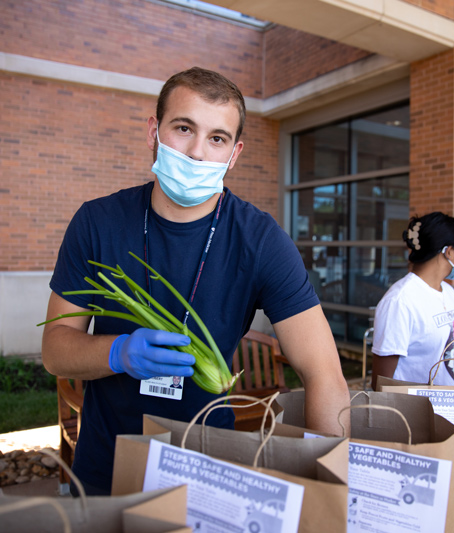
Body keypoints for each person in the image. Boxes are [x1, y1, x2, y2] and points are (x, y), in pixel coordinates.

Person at [41, 67, 351, 496]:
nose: (198, 153)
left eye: (217, 138)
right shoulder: (97, 222)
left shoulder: (261, 241)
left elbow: (324, 376)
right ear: (154, 131)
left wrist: (329, 493)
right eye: (183, 128)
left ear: (234, 153)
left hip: (211, 470)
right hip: (105, 469)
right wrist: (119, 352)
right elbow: (55, 349)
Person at [371, 212, 454, 390]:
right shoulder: (400, 301)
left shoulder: (448, 292)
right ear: (449, 252)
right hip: (419, 413)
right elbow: (381, 382)